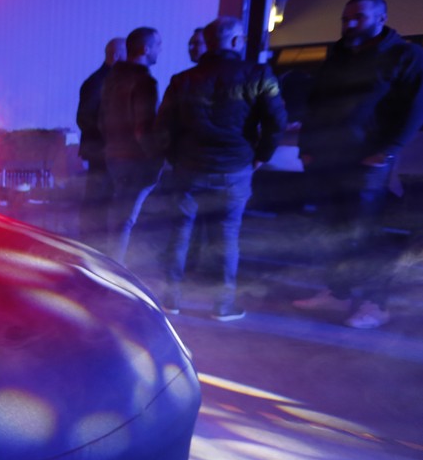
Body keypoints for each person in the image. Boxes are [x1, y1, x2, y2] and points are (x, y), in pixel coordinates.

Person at [293, 0, 423, 329]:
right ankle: (339, 292)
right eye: (345, 18)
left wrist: (389, 149)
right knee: (333, 231)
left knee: (364, 234)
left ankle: (376, 304)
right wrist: (307, 146)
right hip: (328, 158)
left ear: (381, 18)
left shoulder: (405, 55)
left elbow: (415, 107)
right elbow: (316, 103)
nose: (349, 24)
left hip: (367, 162)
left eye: (359, 17)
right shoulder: (338, 55)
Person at [154, 16, 287, 321]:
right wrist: (261, 155)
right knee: (227, 235)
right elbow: (277, 121)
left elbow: (162, 127)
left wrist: (174, 158)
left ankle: (170, 300)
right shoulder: (258, 74)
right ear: (237, 41)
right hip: (235, 168)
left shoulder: (183, 79)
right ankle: (223, 306)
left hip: (189, 167)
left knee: (179, 232)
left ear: (208, 41)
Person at [98, 26, 164, 265]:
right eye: (158, 46)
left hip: (114, 155)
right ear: (146, 49)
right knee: (125, 218)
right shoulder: (144, 81)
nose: (159, 51)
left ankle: (109, 264)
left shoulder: (112, 79)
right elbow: (143, 127)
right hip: (136, 159)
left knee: (116, 214)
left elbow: (101, 119)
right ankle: (115, 269)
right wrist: (156, 159)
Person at [76, 37, 126, 247]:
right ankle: (92, 245)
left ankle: (95, 244)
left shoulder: (103, 81)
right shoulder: (99, 83)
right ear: (117, 55)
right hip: (102, 153)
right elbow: (85, 119)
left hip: (104, 152)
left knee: (100, 202)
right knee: (97, 202)